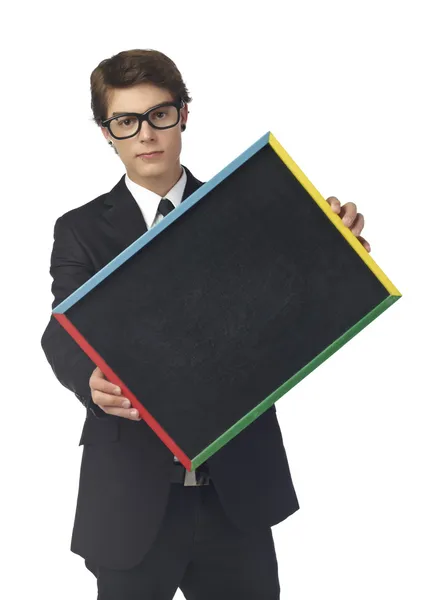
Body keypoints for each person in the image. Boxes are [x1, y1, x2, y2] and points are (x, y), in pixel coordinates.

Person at [40, 48, 371, 600]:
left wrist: (338, 250)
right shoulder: (79, 230)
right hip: (131, 503)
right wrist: (88, 381)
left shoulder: (245, 210)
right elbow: (61, 327)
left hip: (235, 498)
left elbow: (294, 297)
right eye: (126, 121)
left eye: (159, 115)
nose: (146, 134)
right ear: (108, 133)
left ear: (184, 114)